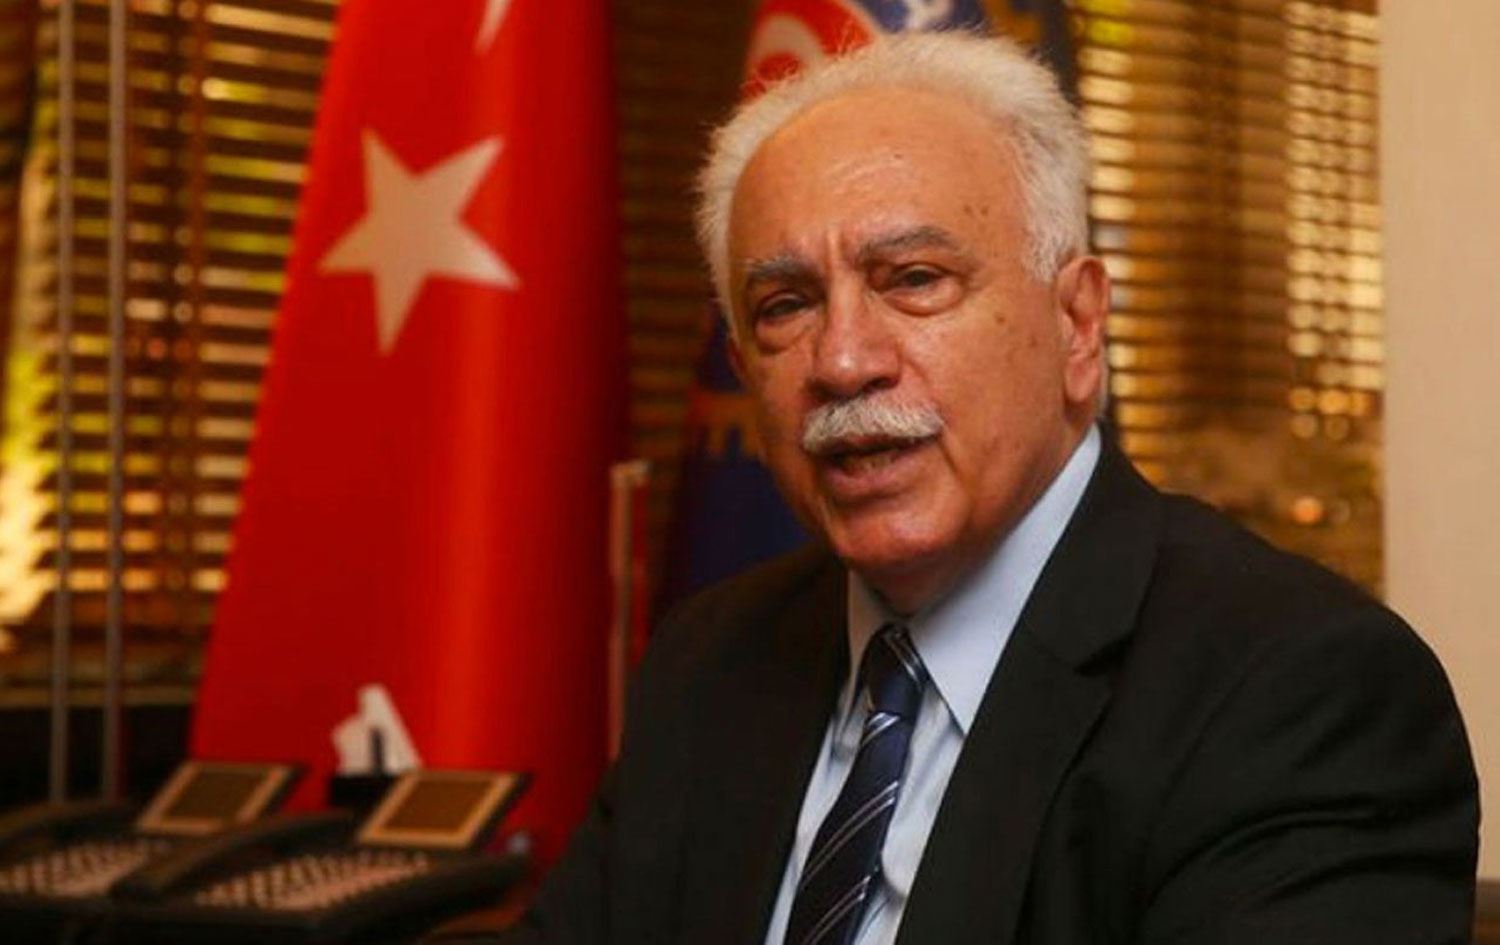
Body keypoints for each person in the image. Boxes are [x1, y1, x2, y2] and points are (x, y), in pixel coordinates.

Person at [489, 32, 1478, 945]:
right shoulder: (711, 662)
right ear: (745, 370)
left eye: (914, 279)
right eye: (785, 305)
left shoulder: (1297, 691)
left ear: (1078, 326)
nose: (843, 360)